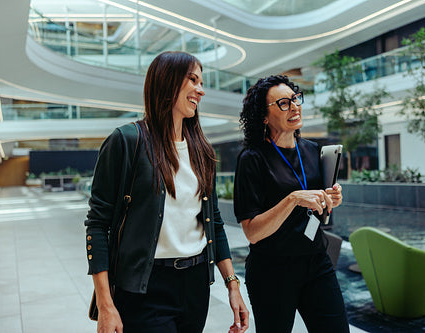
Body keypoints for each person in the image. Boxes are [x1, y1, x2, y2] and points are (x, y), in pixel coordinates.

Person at [85, 51, 249, 333]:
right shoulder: (126, 141)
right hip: (145, 287)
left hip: (195, 286)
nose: (201, 89)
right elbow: (98, 225)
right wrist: (106, 305)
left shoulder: (201, 150)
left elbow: (214, 224)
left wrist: (232, 284)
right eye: (193, 79)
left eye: (201, 81)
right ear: (167, 81)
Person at [233, 75, 349, 333]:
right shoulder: (252, 159)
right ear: (264, 117)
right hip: (272, 269)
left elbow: (318, 205)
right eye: (284, 103)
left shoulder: (310, 149)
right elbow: (252, 232)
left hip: (316, 260)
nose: (294, 106)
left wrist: (331, 199)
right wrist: (293, 199)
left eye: (295, 98)